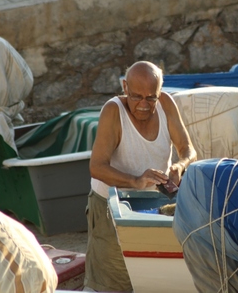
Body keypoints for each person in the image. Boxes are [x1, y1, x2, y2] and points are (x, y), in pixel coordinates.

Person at [84, 61, 197, 292]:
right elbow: (97, 167)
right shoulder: (113, 111)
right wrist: (135, 181)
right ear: (125, 88)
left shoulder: (166, 103)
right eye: (137, 97)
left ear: (159, 92)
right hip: (109, 206)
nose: (144, 105)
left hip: (153, 204)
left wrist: (179, 165)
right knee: (112, 281)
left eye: (151, 98)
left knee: (152, 275)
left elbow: (188, 149)